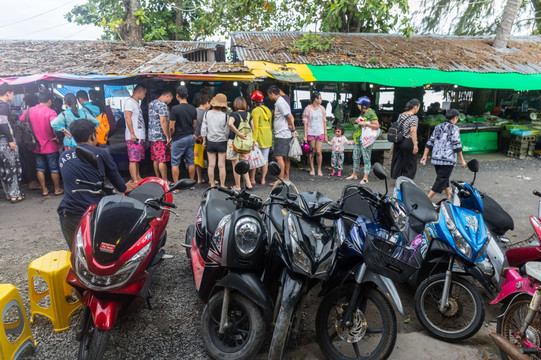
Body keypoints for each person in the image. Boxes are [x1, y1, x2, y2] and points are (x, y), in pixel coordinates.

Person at [57, 119, 137, 250]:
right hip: (94, 213)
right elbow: (119, 185)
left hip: (68, 213)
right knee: (100, 252)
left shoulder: (63, 156)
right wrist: (126, 186)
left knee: (76, 253)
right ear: (92, 135)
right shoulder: (102, 153)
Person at [19, 91, 64, 196]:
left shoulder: (29, 111)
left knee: (40, 168)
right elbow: (55, 125)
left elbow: (21, 122)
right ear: (49, 101)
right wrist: (58, 137)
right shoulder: (51, 112)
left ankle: (44, 190)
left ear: (39, 101)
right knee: (54, 168)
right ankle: (57, 189)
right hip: (50, 145)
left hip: (36, 145)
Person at [421, 109, 467, 200]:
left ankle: (448, 197)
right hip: (447, 159)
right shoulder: (455, 128)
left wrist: (425, 155)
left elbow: (430, 141)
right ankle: (426, 200)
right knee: (441, 180)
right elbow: (456, 145)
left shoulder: (438, 126)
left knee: (443, 179)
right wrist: (462, 160)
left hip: (436, 158)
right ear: (455, 118)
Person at [347, 96, 380, 185]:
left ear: (364, 106)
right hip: (359, 139)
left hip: (366, 140)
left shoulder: (371, 113)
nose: (357, 105)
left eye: (359, 104)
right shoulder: (363, 113)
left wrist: (366, 124)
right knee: (356, 156)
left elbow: (377, 126)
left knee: (366, 158)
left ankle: (366, 177)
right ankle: (354, 174)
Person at [169, 85, 197, 186]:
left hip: (178, 138)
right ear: (187, 95)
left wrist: (170, 137)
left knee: (175, 162)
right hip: (190, 137)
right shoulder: (193, 109)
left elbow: (171, 127)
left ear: (177, 96)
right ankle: (191, 185)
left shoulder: (174, 109)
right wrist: (191, 132)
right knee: (190, 161)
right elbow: (194, 125)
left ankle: (176, 186)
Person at [267, 85, 297, 182]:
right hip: (284, 133)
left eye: (269, 95)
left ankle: (280, 178)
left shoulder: (280, 103)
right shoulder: (282, 102)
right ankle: (285, 177)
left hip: (282, 133)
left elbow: (288, 116)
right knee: (284, 157)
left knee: (278, 156)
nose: (269, 97)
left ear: (272, 94)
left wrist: (292, 126)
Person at [0, 84, 24, 203]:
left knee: (4, 169)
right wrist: (10, 140)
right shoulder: (3, 106)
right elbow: (3, 124)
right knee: (12, 168)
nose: (13, 96)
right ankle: (15, 195)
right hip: (6, 141)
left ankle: (9, 194)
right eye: (13, 93)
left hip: (0, 143)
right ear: (7, 93)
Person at [201, 93, 229, 188]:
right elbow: (227, 131)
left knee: (211, 165)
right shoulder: (225, 116)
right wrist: (225, 138)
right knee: (222, 165)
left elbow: (204, 128)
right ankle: (222, 184)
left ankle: (212, 184)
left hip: (210, 141)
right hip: (222, 142)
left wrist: (204, 140)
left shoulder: (207, 113)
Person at [227, 96, 253, 190]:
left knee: (235, 164)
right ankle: (249, 184)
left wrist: (238, 133)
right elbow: (252, 129)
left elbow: (230, 124)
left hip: (234, 141)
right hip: (245, 142)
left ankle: (237, 186)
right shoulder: (249, 115)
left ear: (235, 104)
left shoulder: (233, 114)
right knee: (244, 163)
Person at [391, 98, 421, 179]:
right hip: (408, 141)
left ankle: (398, 177)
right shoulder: (414, 117)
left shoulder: (401, 115)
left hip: (399, 140)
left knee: (399, 159)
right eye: (418, 107)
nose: (418, 109)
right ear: (415, 107)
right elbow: (413, 131)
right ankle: (407, 178)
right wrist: (415, 144)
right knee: (410, 161)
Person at [148, 89, 173, 181]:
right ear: (168, 96)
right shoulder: (162, 105)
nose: (170, 101)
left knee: (155, 158)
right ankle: (165, 180)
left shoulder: (151, 103)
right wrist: (167, 136)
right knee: (162, 159)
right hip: (160, 136)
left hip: (152, 135)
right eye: (170, 99)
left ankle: (158, 178)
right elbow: (163, 121)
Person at [123, 84, 147, 183]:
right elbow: (127, 117)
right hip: (134, 135)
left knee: (137, 158)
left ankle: (137, 176)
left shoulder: (136, 103)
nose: (145, 96)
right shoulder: (129, 102)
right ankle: (134, 179)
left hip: (139, 135)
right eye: (144, 94)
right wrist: (132, 133)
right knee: (133, 159)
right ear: (139, 92)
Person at [249, 90, 272, 185]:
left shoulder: (255, 111)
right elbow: (270, 124)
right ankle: (263, 179)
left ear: (254, 101)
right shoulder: (267, 110)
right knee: (265, 159)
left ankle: (252, 179)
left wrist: (253, 140)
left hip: (258, 137)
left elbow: (255, 128)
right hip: (268, 136)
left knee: (254, 158)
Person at [302, 91, 327, 176]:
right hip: (311, 132)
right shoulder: (308, 109)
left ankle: (319, 169)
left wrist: (326, 135)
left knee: (319, 152)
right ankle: (312, 168)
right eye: (320, 98)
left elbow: (324, 122)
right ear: (315, 99)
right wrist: (305, 136)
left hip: (320, 132)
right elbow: (305, 123)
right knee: (312, 152)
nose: (321, 100)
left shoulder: (322, 109)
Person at [195, 94, 211, 184]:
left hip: (196, 138)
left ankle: (199, 178)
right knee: (209, 159)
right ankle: (210, 178)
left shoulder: (194, 111)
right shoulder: (208, 113)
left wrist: (194, 134)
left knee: (197, 158)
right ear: (207, 103)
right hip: (207, 138)